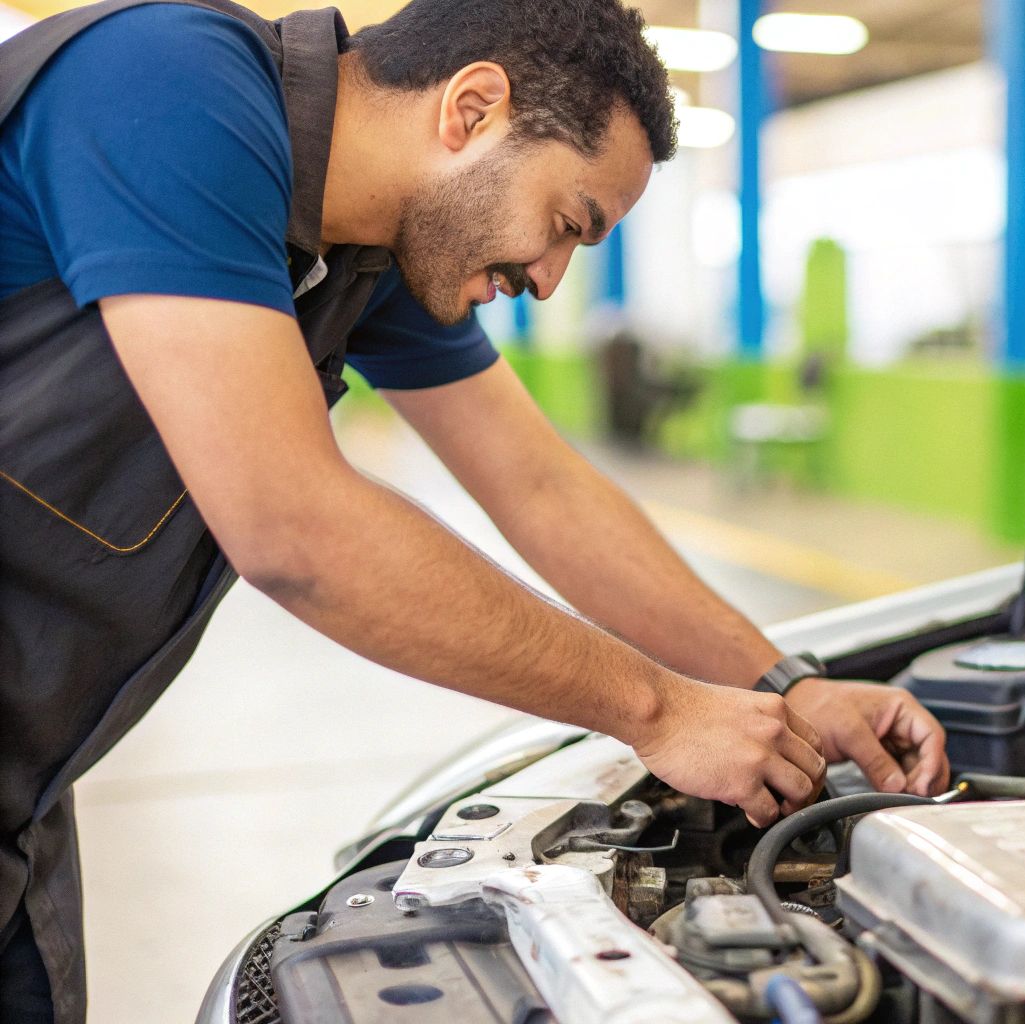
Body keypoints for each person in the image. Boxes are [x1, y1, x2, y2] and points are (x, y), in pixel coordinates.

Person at [0, 1, 949, 1019]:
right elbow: (295, 528)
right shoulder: (165, 83)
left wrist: (784, 685)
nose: (548, 278)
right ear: (472, 109)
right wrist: (657, 708)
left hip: (32, 778)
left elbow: (541, 488)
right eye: (568, 223)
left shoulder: (369, 250)